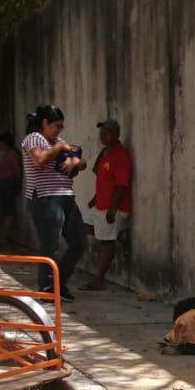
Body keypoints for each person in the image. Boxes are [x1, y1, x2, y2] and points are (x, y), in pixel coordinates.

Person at [22, 105, 87, 301]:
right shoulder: (34, 138)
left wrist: (75, 162)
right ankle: (47, 288)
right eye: (56, 126)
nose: (59, 131)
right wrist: (59, 148)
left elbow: (81, 161)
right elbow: (39, 160)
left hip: (66, 196)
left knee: (79, 242)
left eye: (61, 127)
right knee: (51, 245)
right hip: (45, 197)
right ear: (45, 124)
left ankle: (59, 283)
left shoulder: (60, 141)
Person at [82, 118, 134, 290]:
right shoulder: (105, 153)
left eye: (106, 133)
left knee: (106, 244)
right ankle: (117, 234)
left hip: (112, 207)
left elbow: (121, 184)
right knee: (79, 224)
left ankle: (99, 280)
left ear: (116, 135)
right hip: (100, 205)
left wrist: (113, 207)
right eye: (101, 133)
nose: (102, 136)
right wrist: (95, 199)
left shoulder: (121, 156)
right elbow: (104, 180)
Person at [0, 132, 21, 243]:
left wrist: (19, 183)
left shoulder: (11, 154)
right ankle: (2, 235)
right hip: (4, 184)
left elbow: (16, 170)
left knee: (8, 210)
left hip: (8, 184)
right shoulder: (7, 154)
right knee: (5, 209)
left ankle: (3, 237)